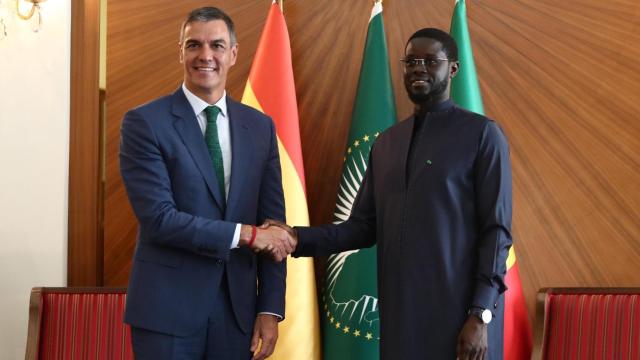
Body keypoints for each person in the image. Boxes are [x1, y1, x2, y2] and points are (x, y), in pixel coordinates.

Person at [265, 28, 512, 359]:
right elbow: (361, 228)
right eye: (411, 62)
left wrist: (481, 313)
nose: (418, 68)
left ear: (453, 68)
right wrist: (296, 238)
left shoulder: (483, 135)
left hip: (464, 321)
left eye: (430, 61)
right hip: (401, 321)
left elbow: (497, 232)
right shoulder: (386, 144)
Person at [119, 7, 294, 359]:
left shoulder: (260, 127)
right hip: (167, 310)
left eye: (216, 45)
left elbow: (272, 224)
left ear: (233, 53)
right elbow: (160, 220)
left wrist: (269, 308)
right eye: (194, 45)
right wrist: (247, 235)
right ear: (180, 52)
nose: (205, 55)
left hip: (237, 311)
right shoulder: (145, 123)